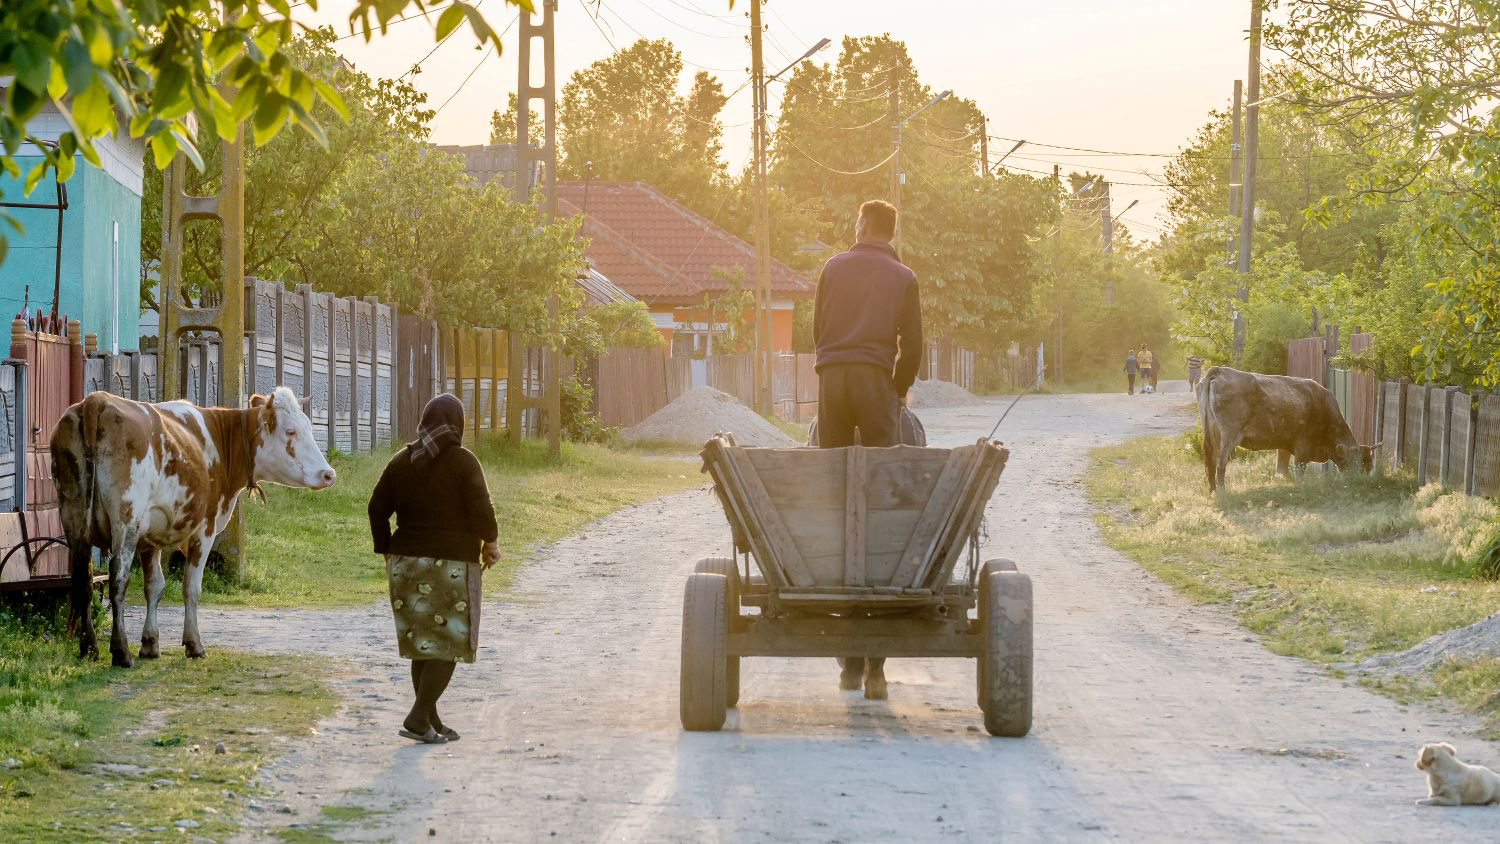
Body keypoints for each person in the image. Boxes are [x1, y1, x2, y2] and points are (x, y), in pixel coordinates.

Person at [812, 198, 923, 700]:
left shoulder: (833, 267)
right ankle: (875, 663)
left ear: (861, 225)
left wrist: (831, 367)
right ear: (891, 230)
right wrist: (898, 389)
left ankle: (849, 659)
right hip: (877, 382)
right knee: (881, 491)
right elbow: (914, 343)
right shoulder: (903, 277)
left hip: (832, 379)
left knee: (832, 480)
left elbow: (817, 330)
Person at [369, 394, 500, 745]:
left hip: (407, 565)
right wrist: (490, 542)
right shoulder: (463, 462)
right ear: (458, 424)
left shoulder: (402, 461)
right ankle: (416, 716)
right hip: (453, 566)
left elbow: (376, 508)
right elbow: (481, 508)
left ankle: (429, 719)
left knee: (423, 642)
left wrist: (385, 549)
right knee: (448, 644)